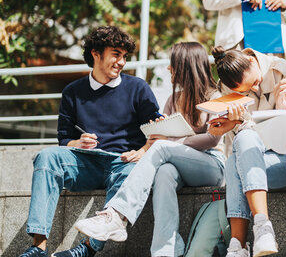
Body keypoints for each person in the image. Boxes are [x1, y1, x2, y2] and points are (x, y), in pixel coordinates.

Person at [72, 42, 226, 257]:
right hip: (177, 165)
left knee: (163, 148)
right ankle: (166, 250)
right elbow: (160, 137)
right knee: (163, 174)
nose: (168, 69)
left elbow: (212, 139)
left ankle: (117, 214)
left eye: (172, 64)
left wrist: (173, 143)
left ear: (185, 66)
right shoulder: (173, 99)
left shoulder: (215, 97)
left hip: (212, 165)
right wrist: (153, 145)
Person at [19, 26, 161, 257]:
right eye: (116, 54)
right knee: (46, 157)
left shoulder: (138, 88)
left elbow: (159, 130)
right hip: (85, 163)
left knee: (134, 171)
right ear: (96, 53)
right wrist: (78, 142)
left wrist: (143, 150)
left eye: (124, 56)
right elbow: (64, 139)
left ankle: (88, 249)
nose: (122, 62)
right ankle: (38, 247)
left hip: (123, 162)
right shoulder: (72, 92)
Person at [208, 46, 286, 257]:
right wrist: (230, 124)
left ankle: (250, 236)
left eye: (256, 83)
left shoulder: (281, 70)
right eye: (246, 90)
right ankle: (244, 241)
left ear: (251, 61)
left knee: (242, 144)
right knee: (234, 159)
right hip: (251, 161)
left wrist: (281, 106)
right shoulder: (226, 88)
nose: (255, 88)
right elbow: (239, 140)